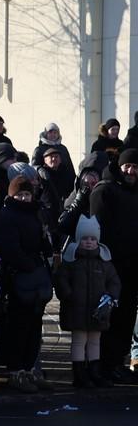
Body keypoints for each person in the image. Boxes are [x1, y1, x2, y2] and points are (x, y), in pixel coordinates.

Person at [0, 177, 54, 393]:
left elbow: (42, 241)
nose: (23, 198)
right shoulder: (7, 215)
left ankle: (29, 369)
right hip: (18, 277)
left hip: (35, 274)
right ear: (11, 195)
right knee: (18, 326)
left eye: (27, 194)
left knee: (34, 327)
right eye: (19, 194)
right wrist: (29, 265)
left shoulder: (36, 213)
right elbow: (9, 248)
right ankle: (16, 371)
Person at [54, 216, 120, 388]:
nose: (89, 242)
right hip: (76, 308)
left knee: (95, 341)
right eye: (85, 238)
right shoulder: (71, 261)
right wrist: (68, 295)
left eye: (92, 239)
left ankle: (94, 372)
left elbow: (114, 281)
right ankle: (79, 374)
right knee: (79, 340)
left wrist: (111, 296)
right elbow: (61, 279)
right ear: (78, 239)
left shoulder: (105, 263)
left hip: (97, 310)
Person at [90, 148, 138, 384]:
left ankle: (117, 363)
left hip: (131, 266)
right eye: (128, 166)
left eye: (135, 167)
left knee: (126, 317)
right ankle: (101, 365)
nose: (131, 171)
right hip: (109, 265)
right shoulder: (105, 190)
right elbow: (97, 228)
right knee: (107, 317)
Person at [57, 153, 105, 243]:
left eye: (93, 184)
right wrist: (78, 202)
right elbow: (63, 226)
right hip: (76, 248)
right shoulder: (74, 199)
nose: (89, 187)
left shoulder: (106, 197)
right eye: (86, 184)